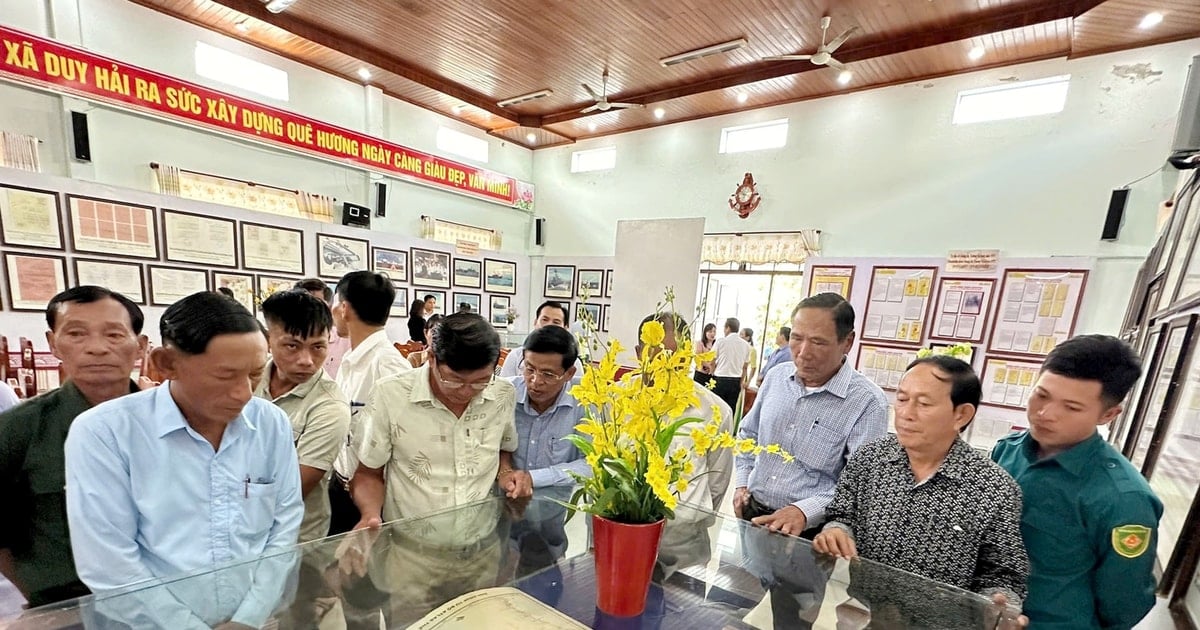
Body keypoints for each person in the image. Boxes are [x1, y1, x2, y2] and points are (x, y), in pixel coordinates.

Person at [65, 291, 303, 628]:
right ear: (166, 363)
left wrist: (249, 618)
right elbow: (109, 560)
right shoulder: (106, 432)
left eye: (254, 375)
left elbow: (284, 525)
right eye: (225, 376)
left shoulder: (270, 423)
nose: (244, 394)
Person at [814, 356, 1028, 624]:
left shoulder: (993, 488)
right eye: (902, 399)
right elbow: (842, 514)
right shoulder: (870, 459)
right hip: (862, 614)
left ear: (961, 414)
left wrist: (1000, 606)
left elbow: (1003, 573)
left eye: (924, 403)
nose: (906, 413)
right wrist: (836, 531)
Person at [345, 314, 526, 620]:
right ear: (431, 358)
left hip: (480, 553)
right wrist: (370, 514)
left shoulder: (501, 394)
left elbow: (503, 451)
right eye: (454, 379)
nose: (468, 391)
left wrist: (507, 474)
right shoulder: (391, 395)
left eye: (481, 381)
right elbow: (368, 472)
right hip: (411, 558)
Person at [734, 293, 888, 628]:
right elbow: (747, 435)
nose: (803, 353)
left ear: (847, 342)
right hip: (753, 517)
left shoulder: (867, 403)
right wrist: (742, 481)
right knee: (738, 602)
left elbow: (857, 484)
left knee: (792, 618)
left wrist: (804, 511)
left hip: (807, 537)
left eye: (818, 342)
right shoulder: (777, 378)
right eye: (796, 338)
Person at [991, 335, 1162, 630]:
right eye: (1041, 395)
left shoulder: (1123, 498)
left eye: (1071, 407)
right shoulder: (1007, 450)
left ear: (1108, 414)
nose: (1045, 414)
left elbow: (1123, 603)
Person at [0, 287, 147, 608]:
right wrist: (39, 592)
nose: (96, 348)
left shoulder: (172, 421)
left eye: (113, 334)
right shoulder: (17, 429)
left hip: (170, 599)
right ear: (53, 343)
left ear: (140, 345)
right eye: (77, 334)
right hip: (69, 606)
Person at [258, 290, 350, 543]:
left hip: (293, 540)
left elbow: (292, 491)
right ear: (268, 340)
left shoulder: (329, 406)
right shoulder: (246, 381)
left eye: (318, 347)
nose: (307, 361)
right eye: (292, 346)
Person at [329, 271, 411, 535]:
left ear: (344, 308)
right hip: (341, 486)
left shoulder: (388, 364)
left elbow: (404, 441)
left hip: (372, 501)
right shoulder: (350, 361)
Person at [505, 325, 587, 571]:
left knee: (546, 588)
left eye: (548, 374)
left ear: (569, 373)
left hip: (552, 522)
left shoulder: (585, 401)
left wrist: (533, 477)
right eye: (529, 369)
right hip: (502, 516)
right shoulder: (505, 393)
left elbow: (593, 464)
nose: (535, 381)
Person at [499, 301, 583, 378]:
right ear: (535, 322)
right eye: (545, 320)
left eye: (556, 322)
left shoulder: (574, 363)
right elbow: (504, 390)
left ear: (565, 328)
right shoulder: (515, 356)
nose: (549, 325)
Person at [296, 278, 350, 379]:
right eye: (304, 304)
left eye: (317, 304)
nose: (309, 310)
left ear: (329, 307)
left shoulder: (346, 341)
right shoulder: (283, 340)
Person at [711, 317, 752, 413]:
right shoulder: (746, 345)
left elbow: (712, 360)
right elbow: (745, 367)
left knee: (717, 409)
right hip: (735, 381)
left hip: (720, 379)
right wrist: (741, 381)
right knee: (730, 410)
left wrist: (712, 373)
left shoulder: (721, 341)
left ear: (728, 328)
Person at [693, 323, 717, 387]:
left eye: (714, 331)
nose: (713, 333)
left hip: (712, 374)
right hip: (701, 373)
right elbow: (698, 358)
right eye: (710, 331)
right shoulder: (700, 343)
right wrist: (710, 366)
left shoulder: (716, 344)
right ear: (705, 333)